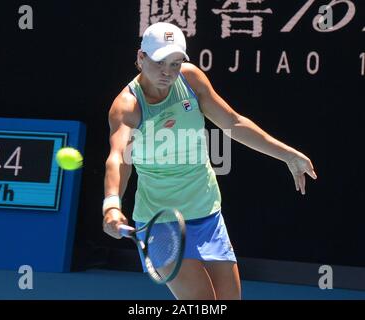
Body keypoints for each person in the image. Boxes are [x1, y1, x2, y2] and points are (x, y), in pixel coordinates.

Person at [102, 22, 317, 300]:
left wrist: (287, 154)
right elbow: (118, 158)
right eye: (159, 63)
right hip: (161, 223)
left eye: (176, 63)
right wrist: (111, 205)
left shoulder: (190, 80)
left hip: (207, 214)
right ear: (141, 58)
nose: (168, 72)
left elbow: (233, 123)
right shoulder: (127, 106)